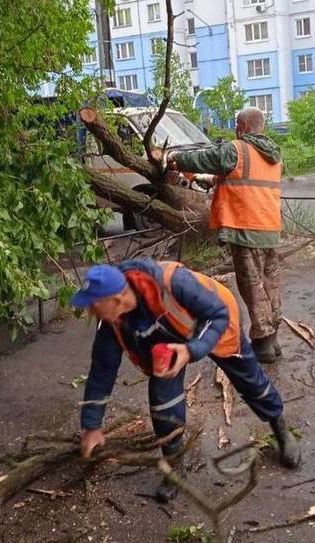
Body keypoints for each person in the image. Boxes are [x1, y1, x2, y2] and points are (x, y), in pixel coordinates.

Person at [71, 259, 300, 503]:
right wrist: (92, 425)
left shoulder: (173, 282)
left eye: (93, 306)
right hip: (166, 342)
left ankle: (281, 429)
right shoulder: (111, 323)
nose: (90, 312)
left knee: (251, 382)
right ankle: (175, 466)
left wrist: (192, 350)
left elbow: (217, 314)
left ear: (114, 299)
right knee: (162, 402)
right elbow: (101, 371)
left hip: (216, 323)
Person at [164, 107, 284, 363]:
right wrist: (210, 180)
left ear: (241, 126)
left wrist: (174, 157)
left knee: (252, 285)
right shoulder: (272, 153)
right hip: (269, 226)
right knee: (270, 283)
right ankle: (273, 339)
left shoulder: (236, 149)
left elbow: (206, 157)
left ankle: (262, 342)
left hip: (245, 227)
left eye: (236, 126)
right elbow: (240, 179)